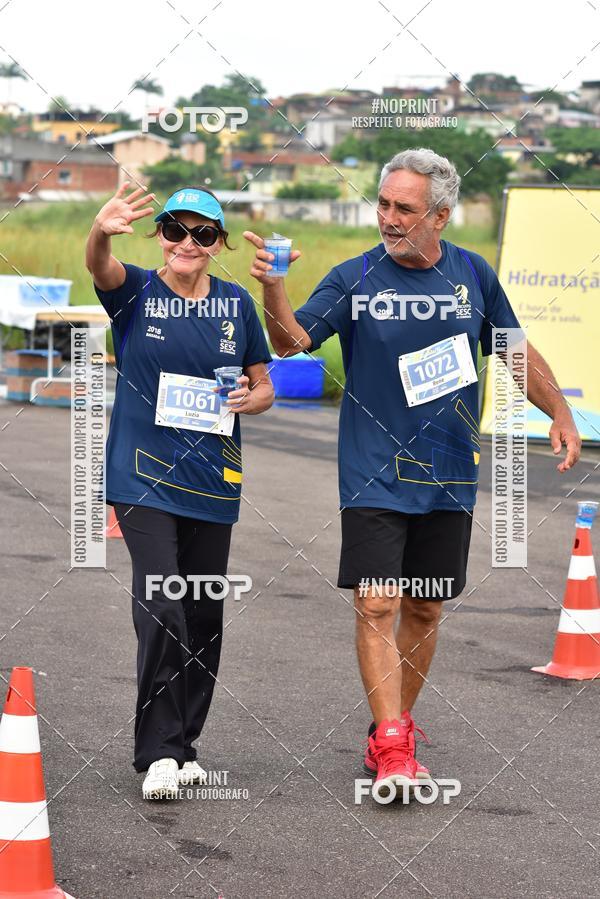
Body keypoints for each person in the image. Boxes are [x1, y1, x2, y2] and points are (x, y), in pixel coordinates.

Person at [244, 148, 581, 799]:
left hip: (449, 476)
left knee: (424, 605)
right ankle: (393, 738)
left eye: (405, 208)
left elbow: (512, 349)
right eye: (383, 204)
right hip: (372, 472)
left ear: (441, 215)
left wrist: (561, 409)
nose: (390, 218)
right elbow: (289, 342)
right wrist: (274, 285)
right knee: (376, 599)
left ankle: (391, 728)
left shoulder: (472, 277)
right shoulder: (354, 276)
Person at [86, 183, 274, 799]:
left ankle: (186, 746)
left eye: (202, 234)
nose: (186, 244)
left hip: (213, 484)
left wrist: (252, 396)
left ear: (217, 243)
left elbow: (263, 385)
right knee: (163, 602)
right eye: (175, 230)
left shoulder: (237, 305)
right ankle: (159, 753)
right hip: (142, 478)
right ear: (158, 235)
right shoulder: (136, 292)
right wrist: (99, 231)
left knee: (203, 616)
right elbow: (99, 266)